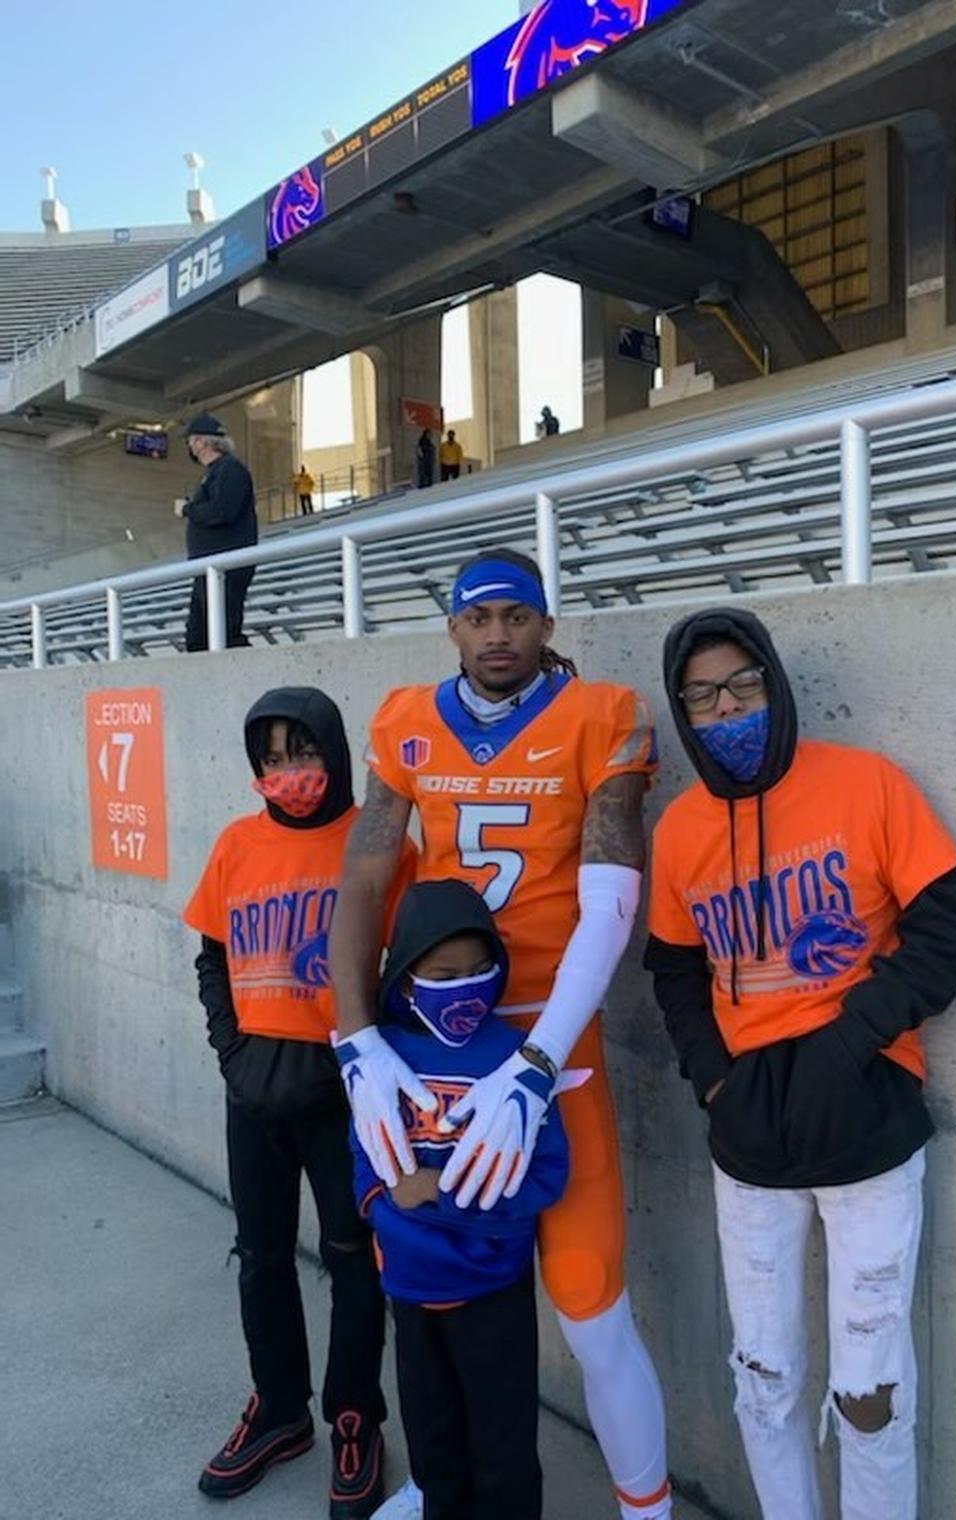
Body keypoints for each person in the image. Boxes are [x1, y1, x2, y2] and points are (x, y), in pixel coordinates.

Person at [329, 547, 674, 1520]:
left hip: (548, 1057)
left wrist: (534, 1062)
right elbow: (362, 875)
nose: (496, 635)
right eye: (478, 618)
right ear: (452, 628)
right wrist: (356, 1037)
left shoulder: (600, 716)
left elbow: (612, 897)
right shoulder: (405, 721)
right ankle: (440, 1481)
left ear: (546, 624)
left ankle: (647, 1508)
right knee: (427, 1291)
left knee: (590, 1302)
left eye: (515, 616)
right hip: (427, 1051)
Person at [643, 607, 956, 1520]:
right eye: (704, 697)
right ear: (683, 711)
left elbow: (951, 923)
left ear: (776, 685)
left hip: (867, 1124)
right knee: (764, 1377)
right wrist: (712, 1078)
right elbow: (673, 967)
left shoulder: (865, 785)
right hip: (749, 1143)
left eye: (744, 687)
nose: (729, 712)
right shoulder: (679, 829)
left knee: (870, 1395)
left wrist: (850, 1041)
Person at [183, 686, 416, 1519]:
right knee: (262, 1257)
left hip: (344, 1093)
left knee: (355, 1262)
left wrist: (363, 1062)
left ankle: (354, 1416)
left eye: (305, 752)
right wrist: (231, 1051)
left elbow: (409, 961)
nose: (291, 773)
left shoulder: (376, 844)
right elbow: (211, 957)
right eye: (274, 759)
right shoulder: (235, 846)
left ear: (337, 753)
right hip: (253, 1091)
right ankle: (279, 1411)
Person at [344, 878, 573, 1520]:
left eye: (479, 970)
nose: (465, 986)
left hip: (493, 1291)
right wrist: (387, 1204)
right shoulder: (385, 1054)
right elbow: (365, 1159)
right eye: (444, 974)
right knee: (433, 1444)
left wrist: (433, 1195)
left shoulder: (514, 1056)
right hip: (411, 1291)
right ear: (407, 980)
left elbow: (548, 1173)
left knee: (503, 1450)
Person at [175, 412, 259, 652]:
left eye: (191, 440)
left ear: (203, 442)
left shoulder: (230, 469)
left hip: (225, 566)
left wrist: (188, 510)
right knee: (198, 637)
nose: (189, 446)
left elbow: (223, 511)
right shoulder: (215, 472)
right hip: (209, 567)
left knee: (224, 633)